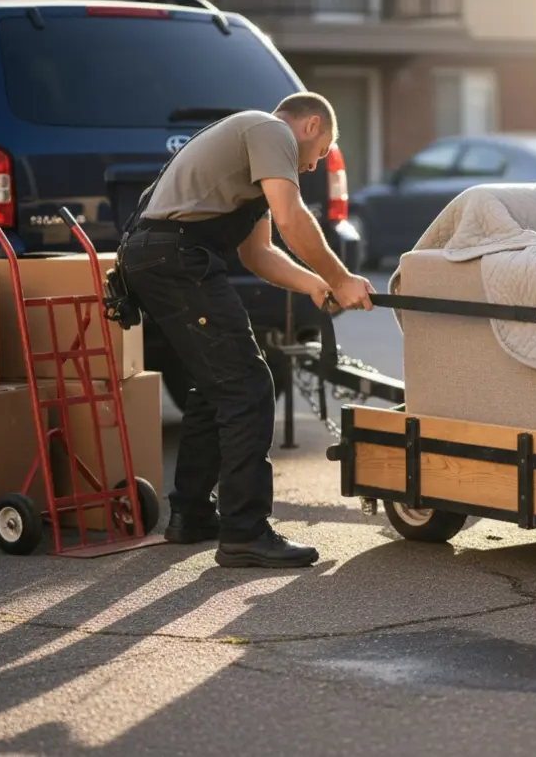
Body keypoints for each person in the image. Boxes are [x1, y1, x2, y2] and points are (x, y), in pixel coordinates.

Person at [117, 92, 375, 568]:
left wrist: (317, 286)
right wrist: (342, 277)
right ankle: (244, 531)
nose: (315, 167)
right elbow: (292, 219)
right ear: (311, 125)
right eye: (320, 153)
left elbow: (259, 255)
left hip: (160, 255)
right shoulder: (270, 131)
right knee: (249, 387)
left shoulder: (253, 157)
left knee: (216, 387)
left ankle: (192, 515)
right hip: (174, 257)